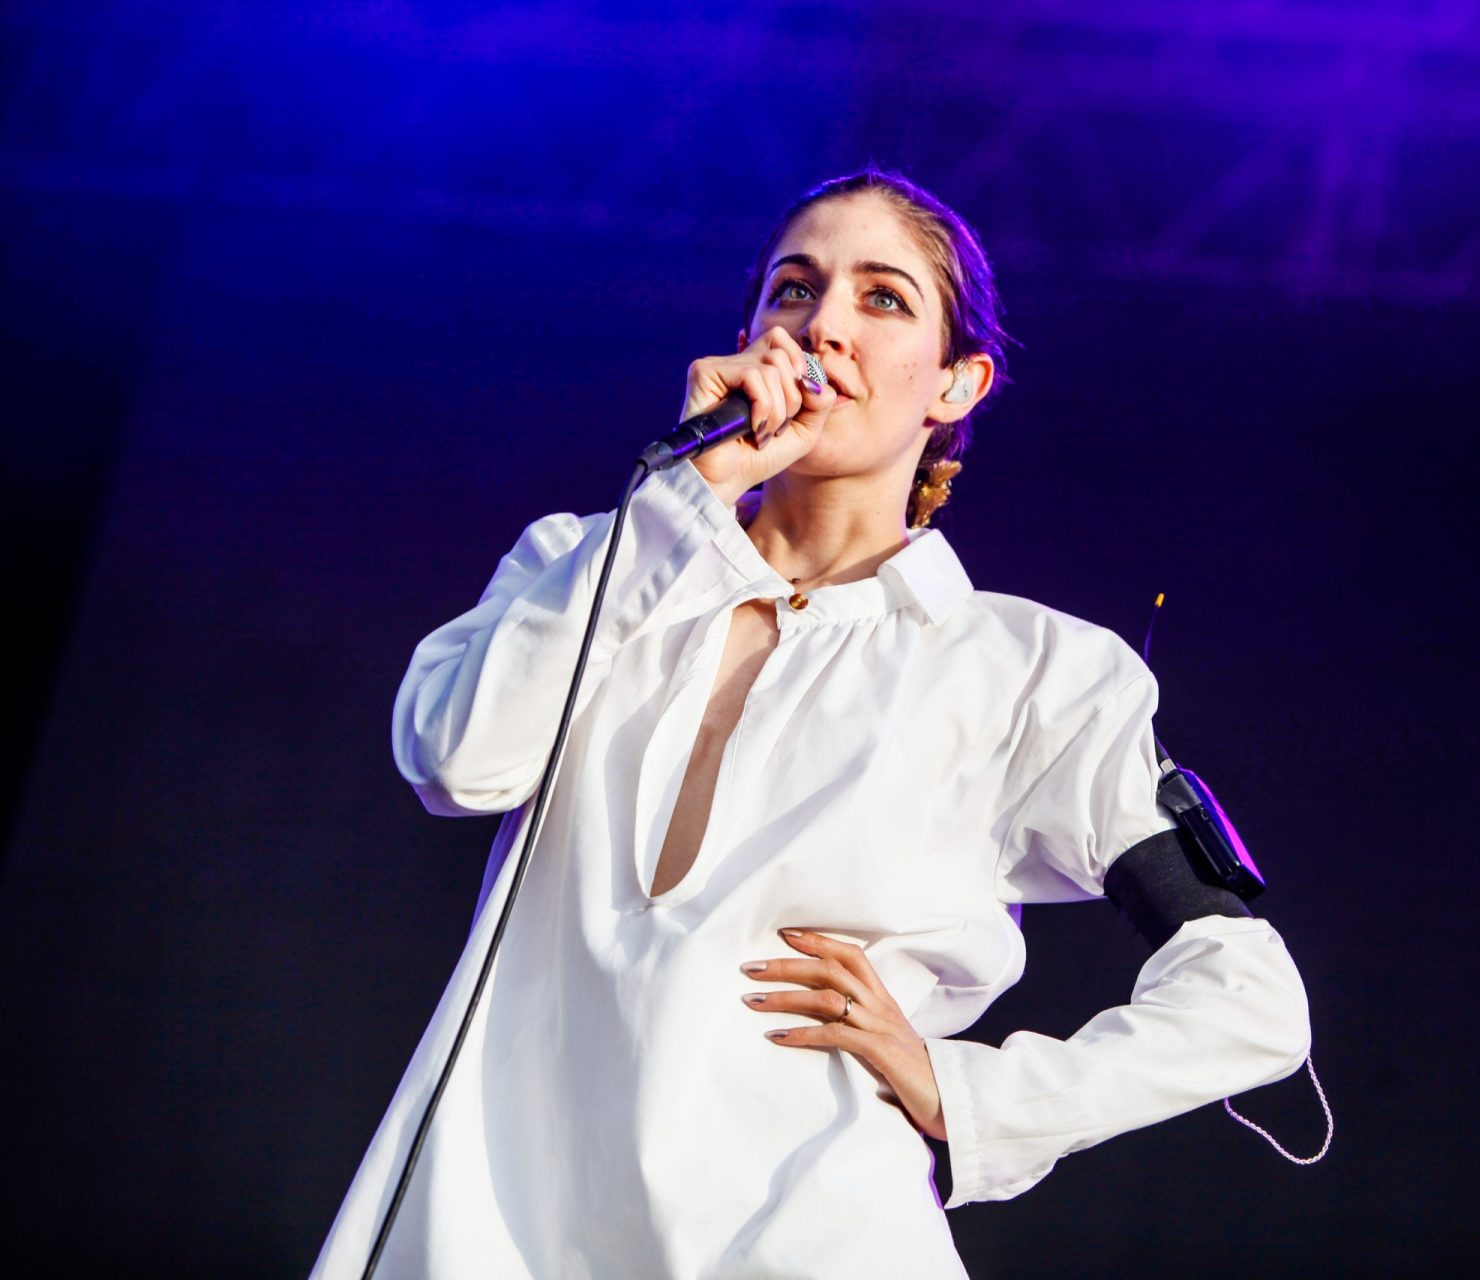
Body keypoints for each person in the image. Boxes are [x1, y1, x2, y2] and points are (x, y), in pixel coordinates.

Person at [311, 168, 1312, 1279]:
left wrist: (968, 1094)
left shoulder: (1032, 671)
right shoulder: (590, 564)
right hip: (498, 1228)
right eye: (793, 289)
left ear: (957, 384)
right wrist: (689, 497)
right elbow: (455, 758)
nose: (822, 323)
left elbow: (1251, 997)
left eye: (882, 299)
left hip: (809, 1235)